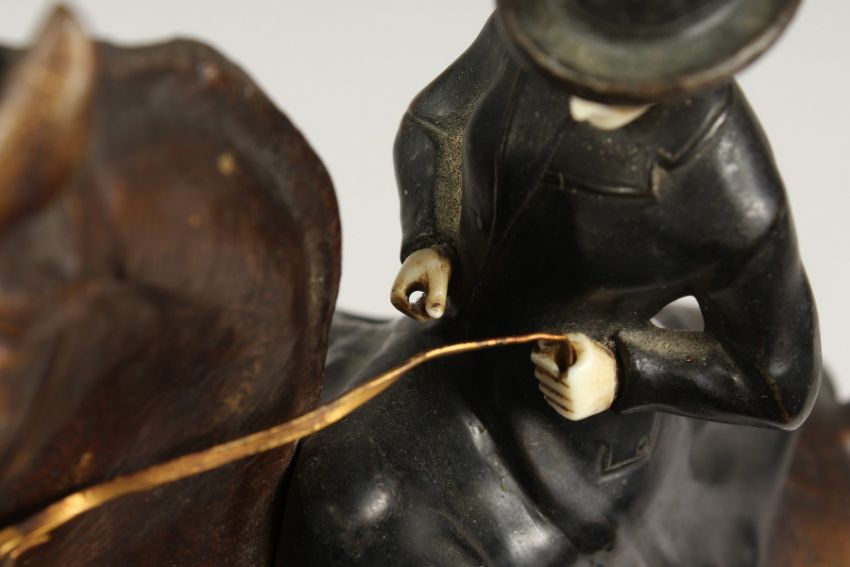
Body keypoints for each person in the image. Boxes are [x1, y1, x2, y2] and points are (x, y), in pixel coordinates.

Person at [281, 1, 821, 564]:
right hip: (445, 346)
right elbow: (438, 122)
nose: (576, 94)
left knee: (366, 524)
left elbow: (779, 377)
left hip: (560, 434)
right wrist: (432, 238)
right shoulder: (540, 40)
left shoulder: (731, 192)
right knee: (320, 468)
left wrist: (621, 373)